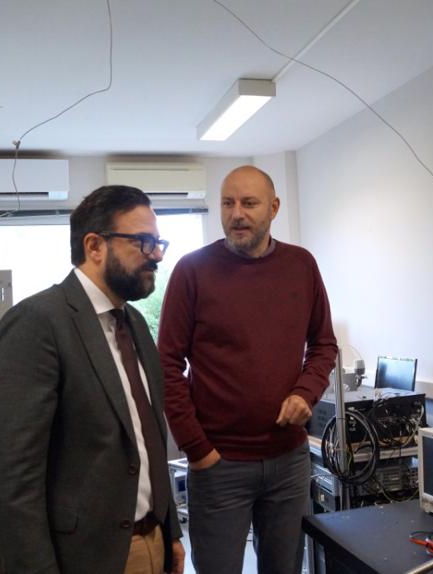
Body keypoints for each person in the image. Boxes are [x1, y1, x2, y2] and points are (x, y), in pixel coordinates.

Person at [0, 185, 185, 574]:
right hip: (81, 557)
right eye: (144, 242)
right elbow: (13, 478)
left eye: (159, 243)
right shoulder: (37, 323)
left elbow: (148, 439)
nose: (157, 255)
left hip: (151, 541)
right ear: (95, 246)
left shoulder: (134, 323)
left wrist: (170, 530)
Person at [159, 165, 338, 574]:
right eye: (227, 203)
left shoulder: (301, 265)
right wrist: (197, 449)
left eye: (249, 203)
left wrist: (306, 392)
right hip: (218, 464)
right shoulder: (192, 271)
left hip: (288, 461)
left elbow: (324, 344)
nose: (236, 213)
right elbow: (166, 364)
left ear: (273, 208)